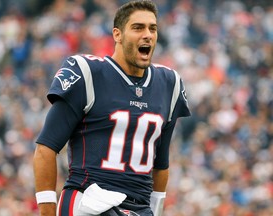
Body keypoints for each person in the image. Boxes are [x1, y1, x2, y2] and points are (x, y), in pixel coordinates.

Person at [33, 1, 191, 215]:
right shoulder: (88, 73)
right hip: (89, 201)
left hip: (139, 207)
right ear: (117, 35)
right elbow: (46, 148)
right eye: (138, 28)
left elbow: (160, 164)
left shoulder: (169, 83)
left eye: (152, 28)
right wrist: (47, 211)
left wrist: (156, 211)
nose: (148, 35)